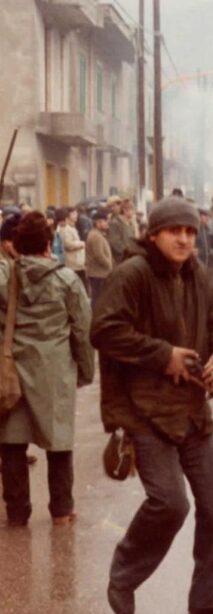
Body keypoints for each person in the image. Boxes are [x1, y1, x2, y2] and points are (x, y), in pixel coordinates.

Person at [90, 197, 213, 614]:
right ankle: (124, 576)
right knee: (170, 503)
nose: (184, 239)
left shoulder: (198, 274)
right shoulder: (132, 274)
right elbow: (103, 331)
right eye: (174, 231)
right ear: (154, 234)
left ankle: (211, 597)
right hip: (144, 411)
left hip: (193, 410)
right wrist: (163, 356)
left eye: (190, 232)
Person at [0, 212, 94, 526]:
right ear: (47, 244)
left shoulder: (6, 277)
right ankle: (62, 510)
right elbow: (82, 331)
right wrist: (86, 370)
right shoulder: (67, 280)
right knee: (59, 440)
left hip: (12, 372)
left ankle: (17, 512)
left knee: (12, 442)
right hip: (55, 372)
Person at [85, 210, 114, 305]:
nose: (107, 223)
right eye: (105, 221)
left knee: (99, 299)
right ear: (98, 223)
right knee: (98, 300)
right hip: (98, 274)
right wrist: (109, 266)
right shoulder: (96, 236)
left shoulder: (98, 235)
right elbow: (99, 255)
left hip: (100, 273)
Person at [59, 208, 87, 287]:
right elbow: (68, 245)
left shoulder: (73, 228)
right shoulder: (66, 229)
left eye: (76, 213)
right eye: (73, 214)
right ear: (67, 216)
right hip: (73, 264)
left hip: (79, 263)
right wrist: (82, 244)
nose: (76, 215)